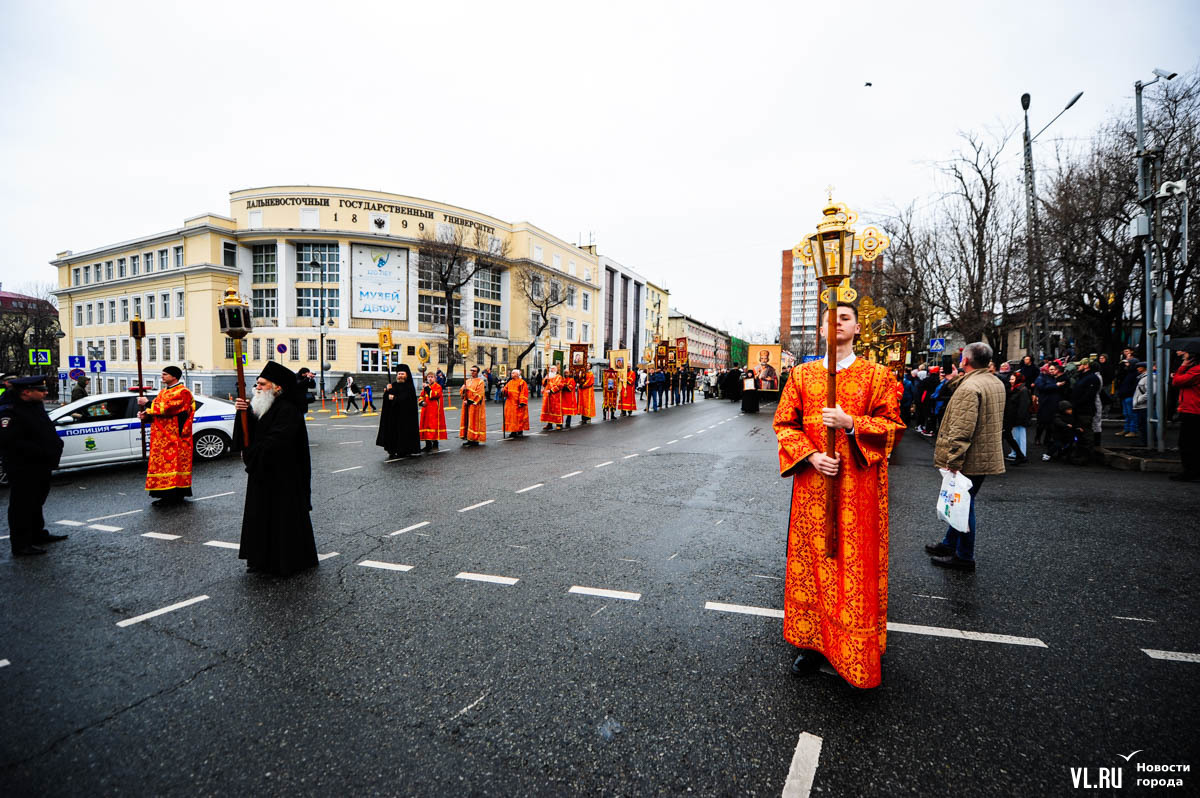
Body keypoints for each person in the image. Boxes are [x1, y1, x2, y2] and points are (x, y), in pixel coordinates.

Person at [772, 302, 903, 688]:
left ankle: (854, 646)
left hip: (859, 490)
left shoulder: (877, 376)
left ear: (857, 327)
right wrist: (811, 456)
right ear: (822, 329)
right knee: (813, 564)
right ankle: (811, 645)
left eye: (845, 318)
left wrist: (851, 424)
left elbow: (892, 427)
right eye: (831, 318)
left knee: (853, 567)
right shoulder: (802, 374)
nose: (837, 323)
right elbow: (784, 423)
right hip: (814, 490)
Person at [233, 361, 319, 576]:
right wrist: (242, 414)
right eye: (257, 384)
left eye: (262, 384)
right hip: (263, 471)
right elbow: (248, 435)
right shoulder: (263, 405)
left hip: (284, 475)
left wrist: (253, 455)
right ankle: (260, 559)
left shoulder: (288, 410)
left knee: (281, 519)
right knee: (260, 516)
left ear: (277, 387)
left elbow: (278, 440)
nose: (257, 388)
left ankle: (282, 562)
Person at [926, 342, 1006, 572]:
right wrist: (953, 377)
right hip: (985, 453)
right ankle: (949, 544)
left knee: (963, 504)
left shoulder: (970, 388)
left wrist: (954, 461)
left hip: (970, 456)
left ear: (965, 361)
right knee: (964, 501)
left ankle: (964, 556)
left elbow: (962, 428)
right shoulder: (993, 381)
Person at [0, 376, 67, 557]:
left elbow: (44, 429)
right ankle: (20, 544)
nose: (45, 393)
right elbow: (10, 442)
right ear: (26, 392)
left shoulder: (34, 405)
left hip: (40, 465)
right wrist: (42, 451)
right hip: (23, 466)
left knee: (36, 501)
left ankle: (37, 534)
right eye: (41, 390)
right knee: (21, 505)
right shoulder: (9, 411)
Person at [136, 365, 195, 507]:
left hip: (176, 438)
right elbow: (158, 413)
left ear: (174, 376)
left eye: (165, 374)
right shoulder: (163, 392)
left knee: (174, 468)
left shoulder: (183, 392)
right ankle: (164, 495)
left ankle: (174, 497)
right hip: (161, 438)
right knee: (161, 468)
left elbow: (169, 409)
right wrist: (146, 416)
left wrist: (147, 403)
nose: (162, 376)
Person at [376, 365, 420, 458]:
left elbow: (406, 400)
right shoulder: (393, 385)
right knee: (392, 433)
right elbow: (386, 398)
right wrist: (387, 392)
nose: (400, 376)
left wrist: (395, 398)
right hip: (393, 415)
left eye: (402, 374)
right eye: (399, 374)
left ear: (406, 375)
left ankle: (404, 450)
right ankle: (392, 449)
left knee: (403, 434)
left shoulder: (409, 387)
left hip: (405, 416)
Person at [1169, 350, 1200, 482]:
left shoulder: (1196, 370)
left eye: (1186, 354)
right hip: (1192, 409)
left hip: (1193, 410)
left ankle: (1190, 472)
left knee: (1187, 443)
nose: (1183, 355)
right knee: (1192, 442)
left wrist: (1182, 367)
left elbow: (1177, 382)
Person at [1003, 373, 1032, 465]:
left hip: (1016, 418)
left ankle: (1020, 455)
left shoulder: (1022, 390)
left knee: (1014, 436)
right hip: (1012, 418)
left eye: (1012, 379)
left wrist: (1020, 419)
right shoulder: (1016, 389)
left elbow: (1023, 406)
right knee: (1010, 436)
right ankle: (1019, 455)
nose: (1010, 381)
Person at [418, 369, 447, 452]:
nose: (430, 379)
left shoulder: (438, 386)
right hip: (426, 410)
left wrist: (426, 387)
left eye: (432, 377)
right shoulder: (426, 388)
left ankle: (435, 443)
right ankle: (428, 445)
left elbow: (434, 395)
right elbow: (421, 396)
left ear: (435, 378)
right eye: (428, 377)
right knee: (425, 426)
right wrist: (421, 402)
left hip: (434, 410)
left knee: (433, 426)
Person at [459, 365, 487, 446]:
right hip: (466, 404)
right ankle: (469, 438)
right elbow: (462, 393)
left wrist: (469, 401)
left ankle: (475, 439)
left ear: (477, 372)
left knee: (474, 421)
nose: (472, 372)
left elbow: (479, 394)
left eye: (474, 371)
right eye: (471, 370)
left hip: (475, 405)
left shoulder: (480, 382)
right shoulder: (467, 381)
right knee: (467, 421)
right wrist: (463, 390)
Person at [502, 368, 530, 437]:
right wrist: (503, 391)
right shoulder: (509, 382)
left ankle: (520, 431)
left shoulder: (522, 382)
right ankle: (513, 431)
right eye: (511, 373)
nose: (512, 374)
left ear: (517, 374)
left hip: (518, 403)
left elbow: (524, 392)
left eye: (513, 373)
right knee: (511, 418)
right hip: (510, 403)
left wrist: (522, 402)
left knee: (519, 418)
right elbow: (506, 391)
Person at [540, 365, 564, 430]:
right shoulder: (548, 376)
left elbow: (560, 385)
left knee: (556, 410)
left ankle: (559, 424)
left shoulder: (559, 377)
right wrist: (545, 380)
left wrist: (551, 390)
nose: (551, 370)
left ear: (556, 370)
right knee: (548, 410)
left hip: (555, 396)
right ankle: (549, 424)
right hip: (547, 396)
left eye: (553, 369)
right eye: (551, 368)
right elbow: (543, 384)